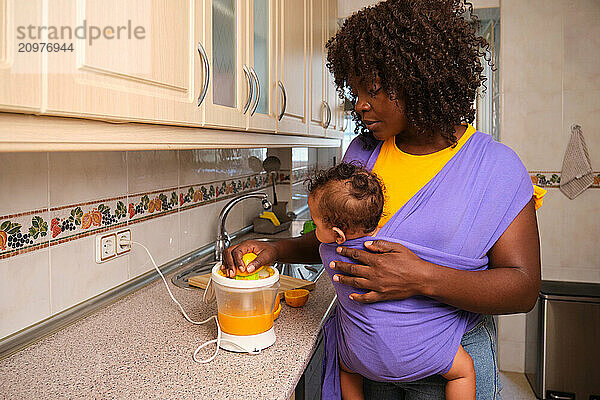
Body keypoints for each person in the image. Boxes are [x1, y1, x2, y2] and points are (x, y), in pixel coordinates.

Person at [223, 0, 544, 398]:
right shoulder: (363, 153)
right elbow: (340, 239)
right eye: (355, 90)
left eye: (372, 90)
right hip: (365, 358)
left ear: (418, 80)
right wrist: (274, 250)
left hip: (448, 364)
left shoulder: (496, 167)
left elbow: (523, 287)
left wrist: (419, 278)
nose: (359, 105)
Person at [307, 162, 476, 400]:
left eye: (316, 225)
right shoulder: (396, 248)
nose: (315, 231)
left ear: (338, 235)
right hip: (419, 354)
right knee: (463, 371)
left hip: (361, 357)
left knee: (345, 369)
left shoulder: (328, 253)